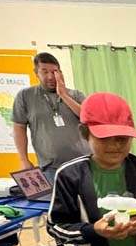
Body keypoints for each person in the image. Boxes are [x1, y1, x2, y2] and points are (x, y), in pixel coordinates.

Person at [47, 92, 136, 246]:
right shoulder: (70, 176)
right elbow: (56, 227)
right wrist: (93, 230)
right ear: (86, 134)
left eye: (122, 138)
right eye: (104, 138)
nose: (114, 145)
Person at [12, 52, 90, 182]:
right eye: (44, 72)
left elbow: (87, 118)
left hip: (82, 164)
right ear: (36, 72)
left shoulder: (75, 95)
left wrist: (64, 95)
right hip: (50, 168)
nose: (50, 77)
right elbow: (19, 128)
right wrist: (23, 160)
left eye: (54, 72)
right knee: (56, 201)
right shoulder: (25, 96)